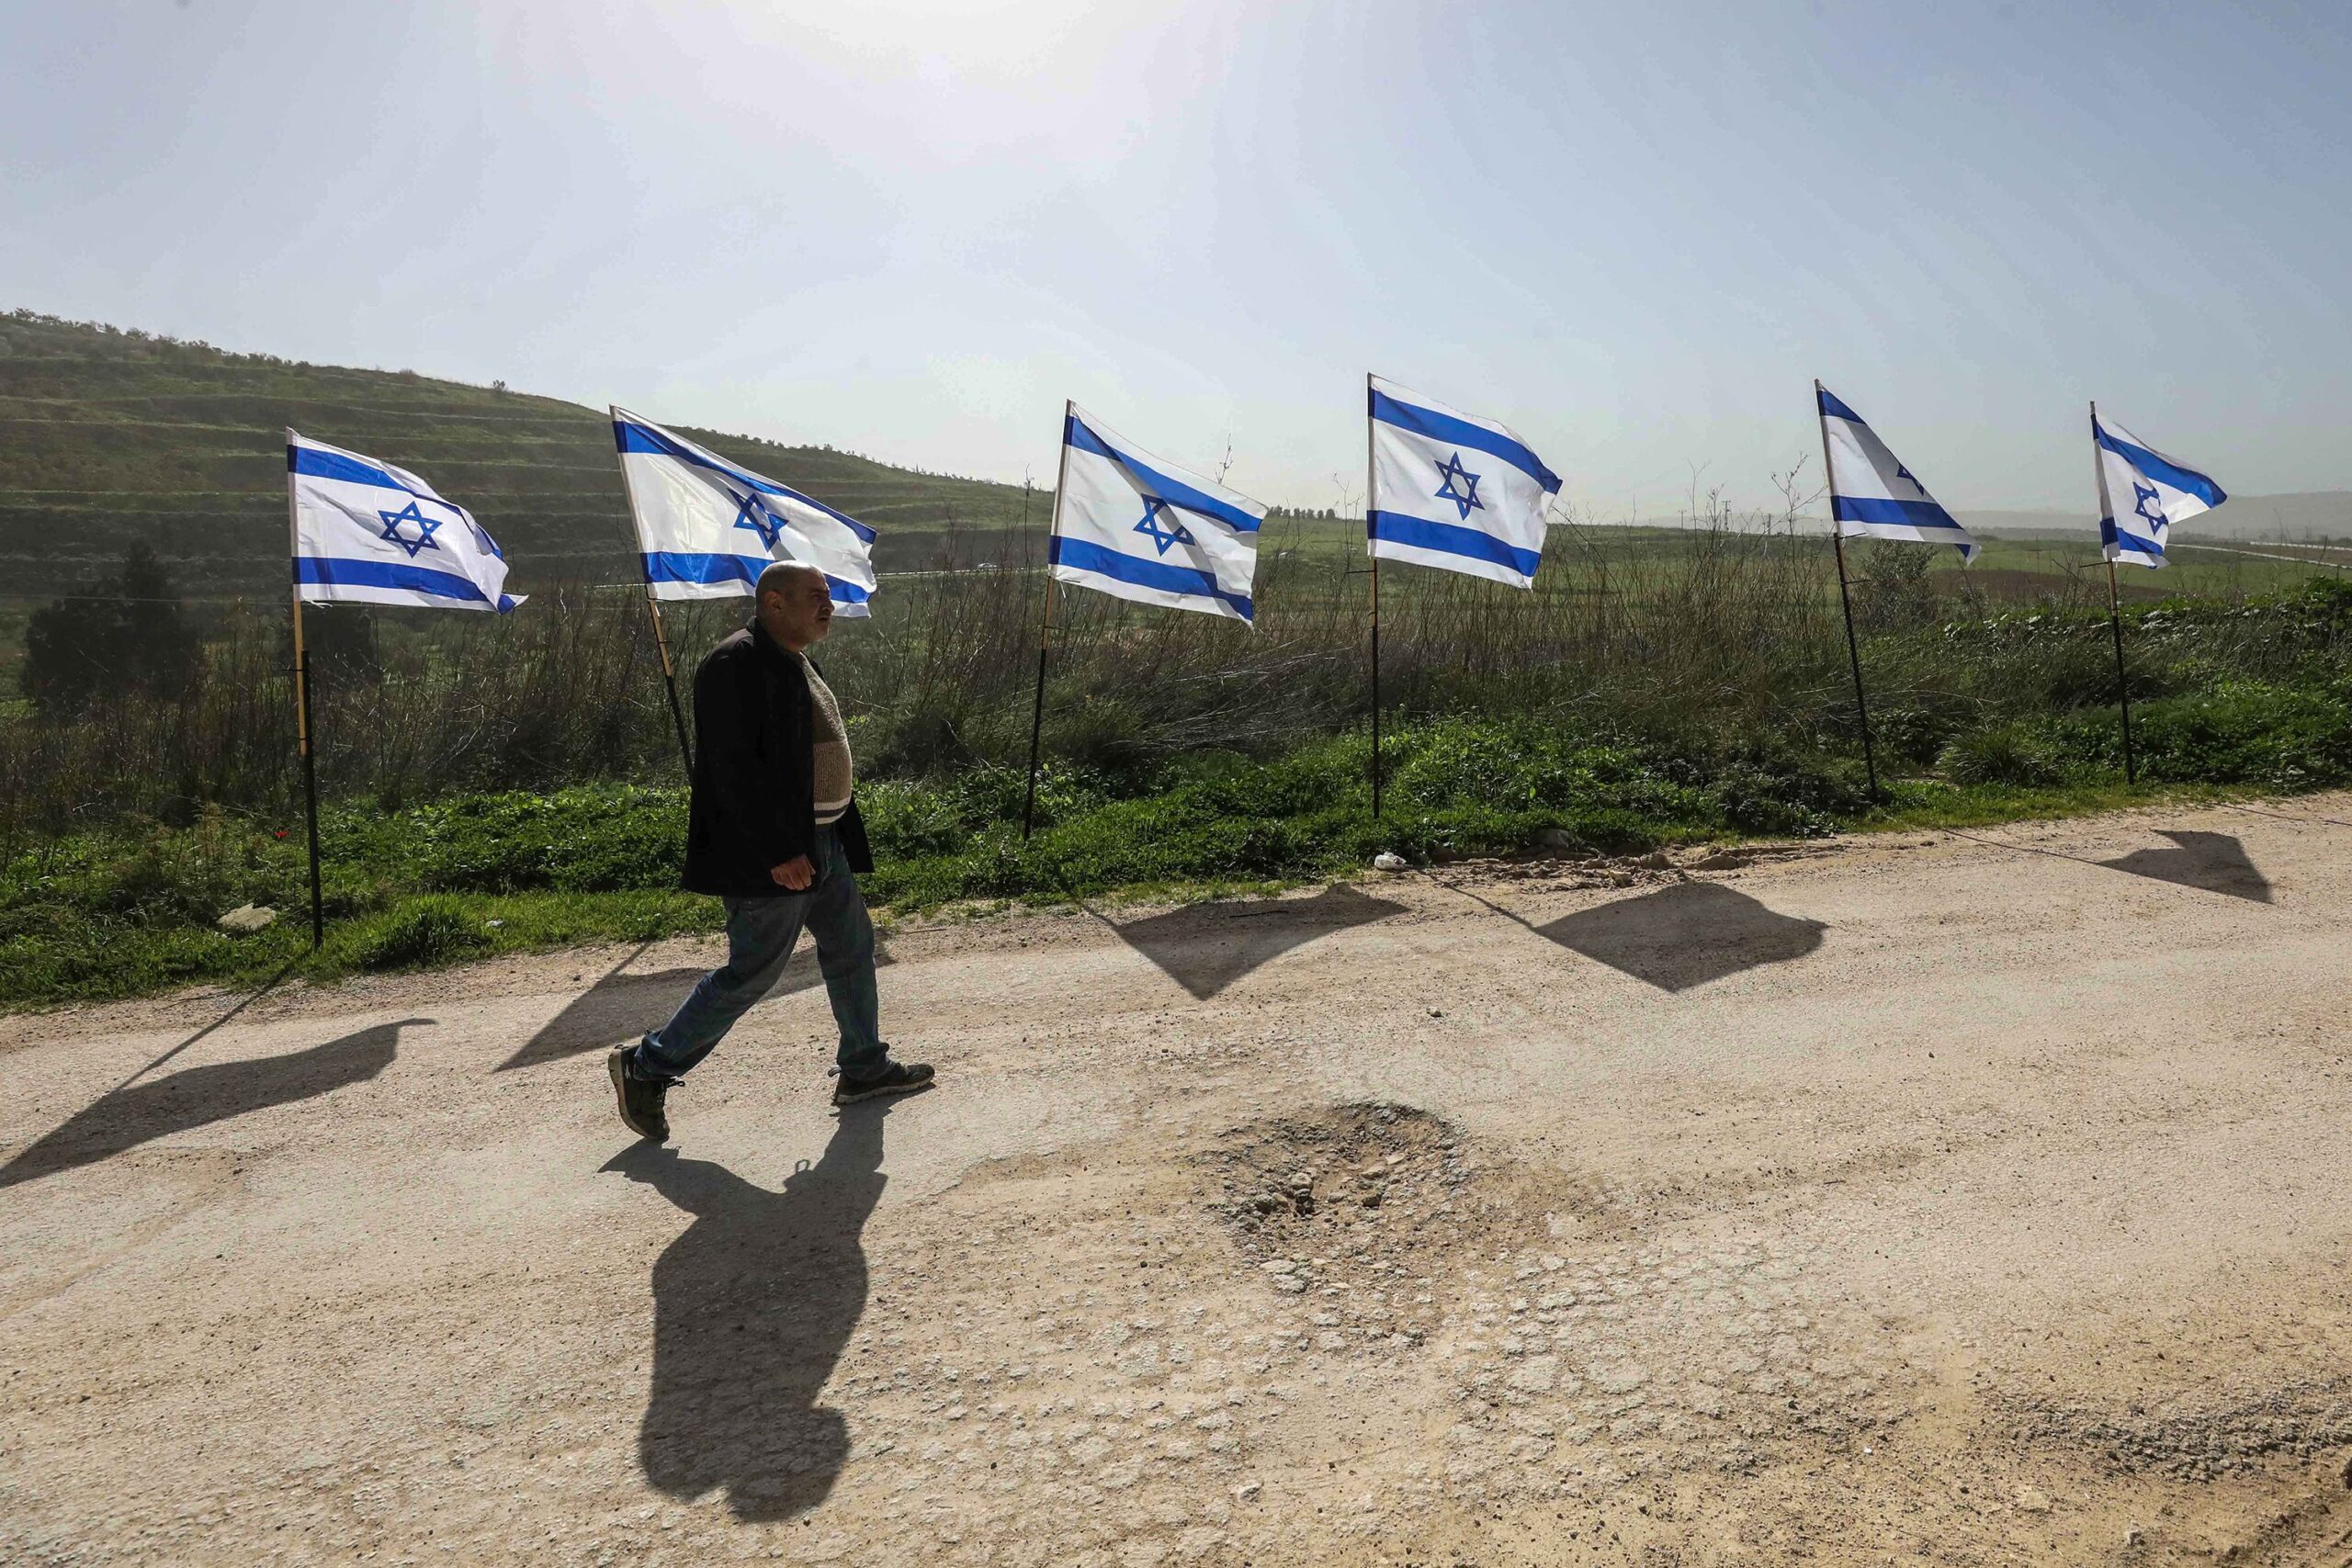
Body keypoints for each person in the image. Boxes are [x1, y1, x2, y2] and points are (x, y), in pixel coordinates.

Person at [609, 560, 933, 1142]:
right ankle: (648, 1065)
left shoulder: (790, 658)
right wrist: (778, 851)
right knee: (752, 972)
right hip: (777, 854)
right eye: (816, 596)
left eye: (828, 596)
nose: (828, 606)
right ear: (774, 602)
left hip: (821, 842)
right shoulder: (735, 663)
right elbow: (731, 774)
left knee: (852, 947)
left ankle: (863, 1067)